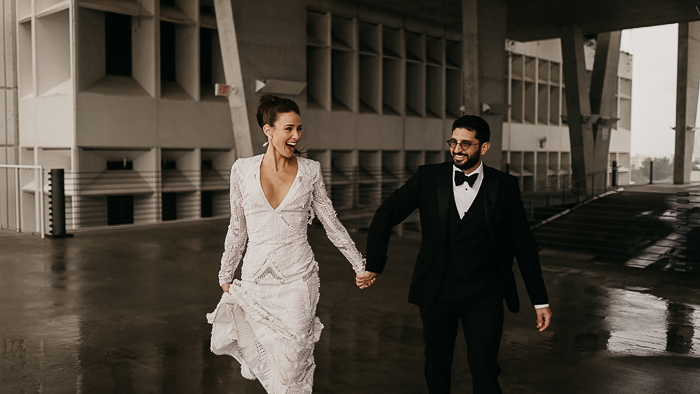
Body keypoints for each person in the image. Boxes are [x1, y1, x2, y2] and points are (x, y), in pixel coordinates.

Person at [356, 115, 552, 393]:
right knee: (436, 363)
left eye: (466, 144)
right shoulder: (428, 177)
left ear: (483, 147)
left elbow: (524, 244)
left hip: (485, 292)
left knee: (483, 365)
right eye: (454, 142)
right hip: (437, 291)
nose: (457, 149)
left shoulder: (504, 186)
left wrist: (540, 300)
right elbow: (386, 213)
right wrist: (375, 262)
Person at [207, 94, 371, 393]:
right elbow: (237, 226)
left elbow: (331, 222)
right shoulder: (242, 170)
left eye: (299, 129)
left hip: (298, 280)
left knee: (295, 358)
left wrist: (359, 264)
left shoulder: (310, 171)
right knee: (274, 362)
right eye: (289, 128)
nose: (296, 135)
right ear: (269, 130)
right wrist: (225, 274)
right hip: (256, 280)